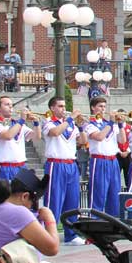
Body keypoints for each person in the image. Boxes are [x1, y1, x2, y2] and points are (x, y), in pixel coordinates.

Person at [42, 96, 85, 246]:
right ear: (52, 108)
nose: (63, 109)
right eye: (59, 106)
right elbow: (54, 132)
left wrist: (81, 126)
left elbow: (82, 142)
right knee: (54, 199)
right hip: (56, 164)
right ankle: (48, 235)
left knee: (72, 200)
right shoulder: (48, 122)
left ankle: (71, 234)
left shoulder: (71, 124)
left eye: (63, 106)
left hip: (71, 164)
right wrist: (71, 119)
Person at [83, 96, 122, 217]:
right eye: (100, 106)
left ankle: (113, 224)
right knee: (98, 194)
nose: (103, 109)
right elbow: (99, 137)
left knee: (114, 195)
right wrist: (111, 123)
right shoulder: (89, 124)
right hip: (99, 161)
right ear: (93, 108)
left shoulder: (110, 124)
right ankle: (93, 222)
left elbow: (122, 140)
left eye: (104, 107)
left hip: (113, 161)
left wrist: (120, 125)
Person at [0, 96, 40, 183]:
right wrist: (22, 120)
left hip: (21, 166)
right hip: (4, 168)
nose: (10, 107)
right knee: (4, 196)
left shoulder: (17, 123)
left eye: (11, 105)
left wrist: (36, 123)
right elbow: (8, 136)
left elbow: (36, 137)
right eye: (7, 104)